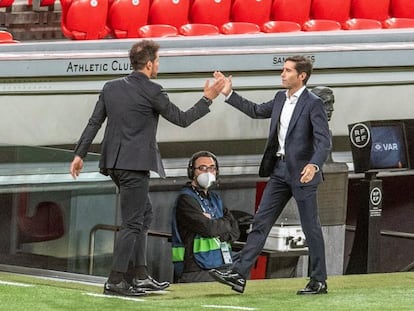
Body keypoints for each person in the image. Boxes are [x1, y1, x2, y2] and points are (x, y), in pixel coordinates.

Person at [69, 40, 225, 297]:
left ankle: (140, 275)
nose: (158, 66)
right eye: (158, 62)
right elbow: (182, 119)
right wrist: (208, 98)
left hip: (114, 164)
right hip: (134, 166)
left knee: (144, 215)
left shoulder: (111, 87)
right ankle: (116, 280)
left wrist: (79, 154)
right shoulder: (153, 90)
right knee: (133, 222)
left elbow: (94, 123)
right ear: (150, 63)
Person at [209, 56, 331, 295]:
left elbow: (324, 142)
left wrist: (314, 165)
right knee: (261, 222)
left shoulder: (313, 103)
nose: (282, 74)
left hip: (303, 174)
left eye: (287, 71)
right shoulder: (279, 98)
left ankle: (319, 280)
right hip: (279, 170)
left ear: (302, 75)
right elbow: (255, 111)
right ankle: (239, 274)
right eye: (283, 70)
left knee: (311, 228)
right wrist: (229, 93)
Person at [171, 151, 240, 283]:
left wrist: (217, 225)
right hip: (195, 268)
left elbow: (235, 230)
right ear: (192, 172)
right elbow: (209, 229)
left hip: (222, 264)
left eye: (212, 168)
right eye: (202, 168)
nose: (207, 172)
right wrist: (223, 225)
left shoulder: (215, 198)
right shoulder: (186, 199)